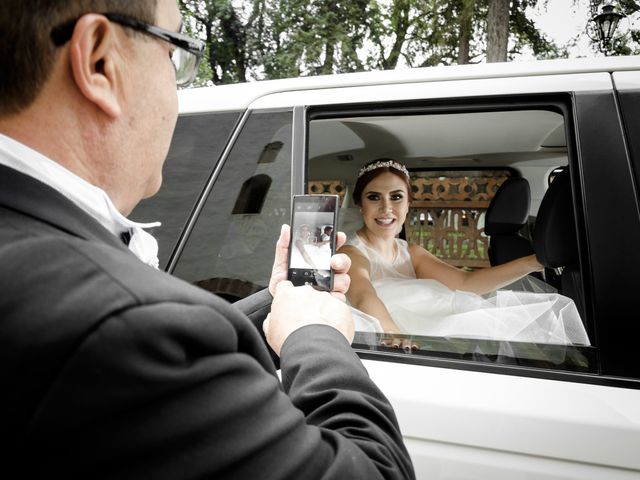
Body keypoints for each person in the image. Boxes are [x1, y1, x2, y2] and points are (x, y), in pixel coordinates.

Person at [0, 3, 414, 479]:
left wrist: (278, 305)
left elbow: (173, 355)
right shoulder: (118, 326)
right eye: (175, 52)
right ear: (99, 61)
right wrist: (314, 335)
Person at [338, 159, 589, 348]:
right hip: (391, 347)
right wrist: (393, 334)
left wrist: (533, 261)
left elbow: (465, 283)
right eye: (374, 197)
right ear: (360, 204)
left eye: (396, 197)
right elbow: (364, 296)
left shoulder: (410, 252)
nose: (386, 208)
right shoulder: (352, 252)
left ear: (408, 204)